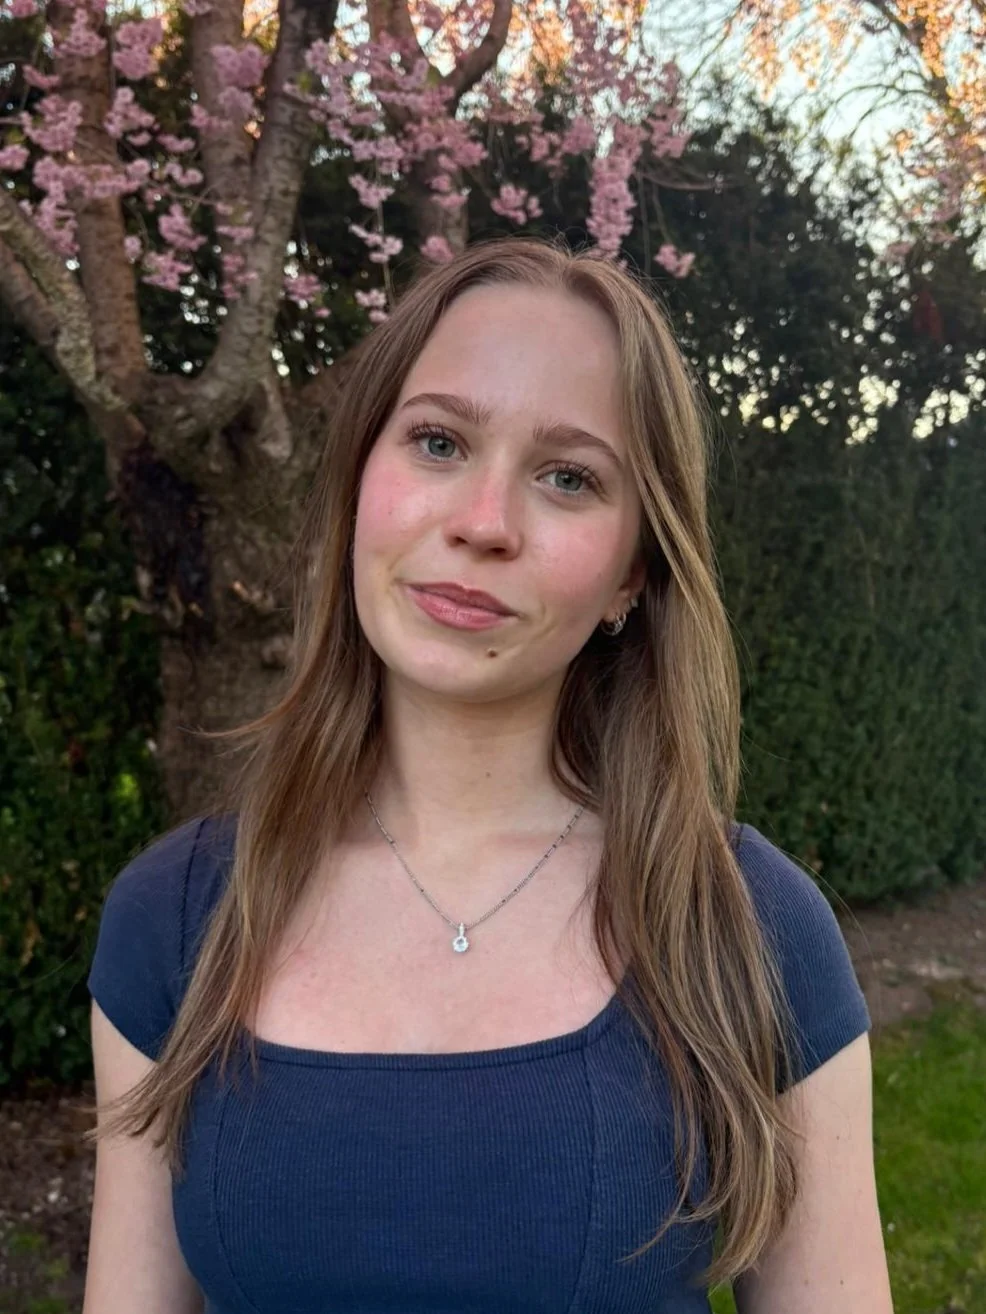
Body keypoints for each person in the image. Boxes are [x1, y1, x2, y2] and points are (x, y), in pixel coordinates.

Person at [82, 234, 894, 1314]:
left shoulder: (748, 931)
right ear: (356, 483)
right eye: (435, 442)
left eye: (567, 478)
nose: (482, 523)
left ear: (630, 576)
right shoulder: (177, 920)